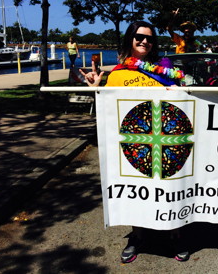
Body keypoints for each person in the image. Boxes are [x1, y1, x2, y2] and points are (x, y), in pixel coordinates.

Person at [81, 21, 189, 263]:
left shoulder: (164, 67)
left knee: (169, 188)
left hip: (166, 141)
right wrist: (96, 90)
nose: (144, 42)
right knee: (135, 191)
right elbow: (109, 114)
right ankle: (138, 236)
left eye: (149, 38)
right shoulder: (118, 74)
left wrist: (178, 92)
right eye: (139, 37)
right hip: (136, 143)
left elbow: (184, 102)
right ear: (130, 39)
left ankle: (175, 234)